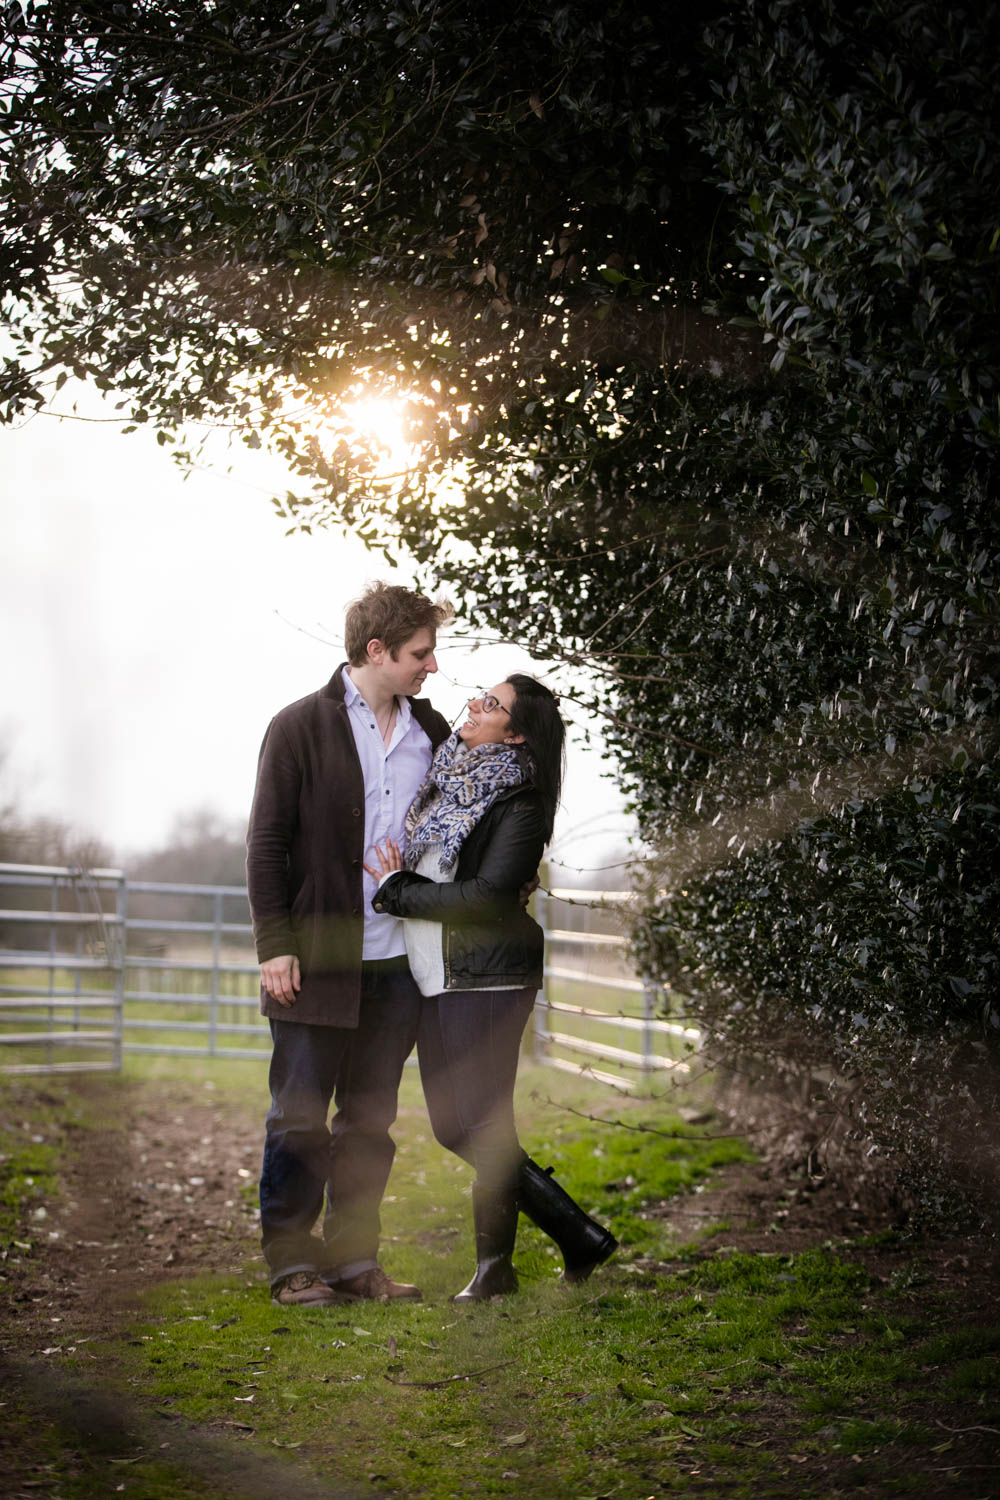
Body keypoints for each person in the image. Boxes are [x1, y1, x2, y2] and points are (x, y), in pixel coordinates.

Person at [367, 675, 618, 1301]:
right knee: (473, 1126)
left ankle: (555, 1242)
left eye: (491, 705)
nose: (474, 707)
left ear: (517, 731)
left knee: (469, 1125)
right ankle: (514, 1262)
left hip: (487, 978)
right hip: (439, 975)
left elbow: (488, 895)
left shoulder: (519, 800)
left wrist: (397, 890)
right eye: (480, 696)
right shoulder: (448, 782)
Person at [246, 581, 452, 1306]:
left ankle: (354, 1262)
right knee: (298, 1118)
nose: (431, 666)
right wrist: (276, 944)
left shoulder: (433, 733)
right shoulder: (298, 726)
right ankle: (292, 1265)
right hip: (315, 961)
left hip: (397, 965)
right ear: (377, 651)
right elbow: (267, 844)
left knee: (369, 1124)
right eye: (420, 653)